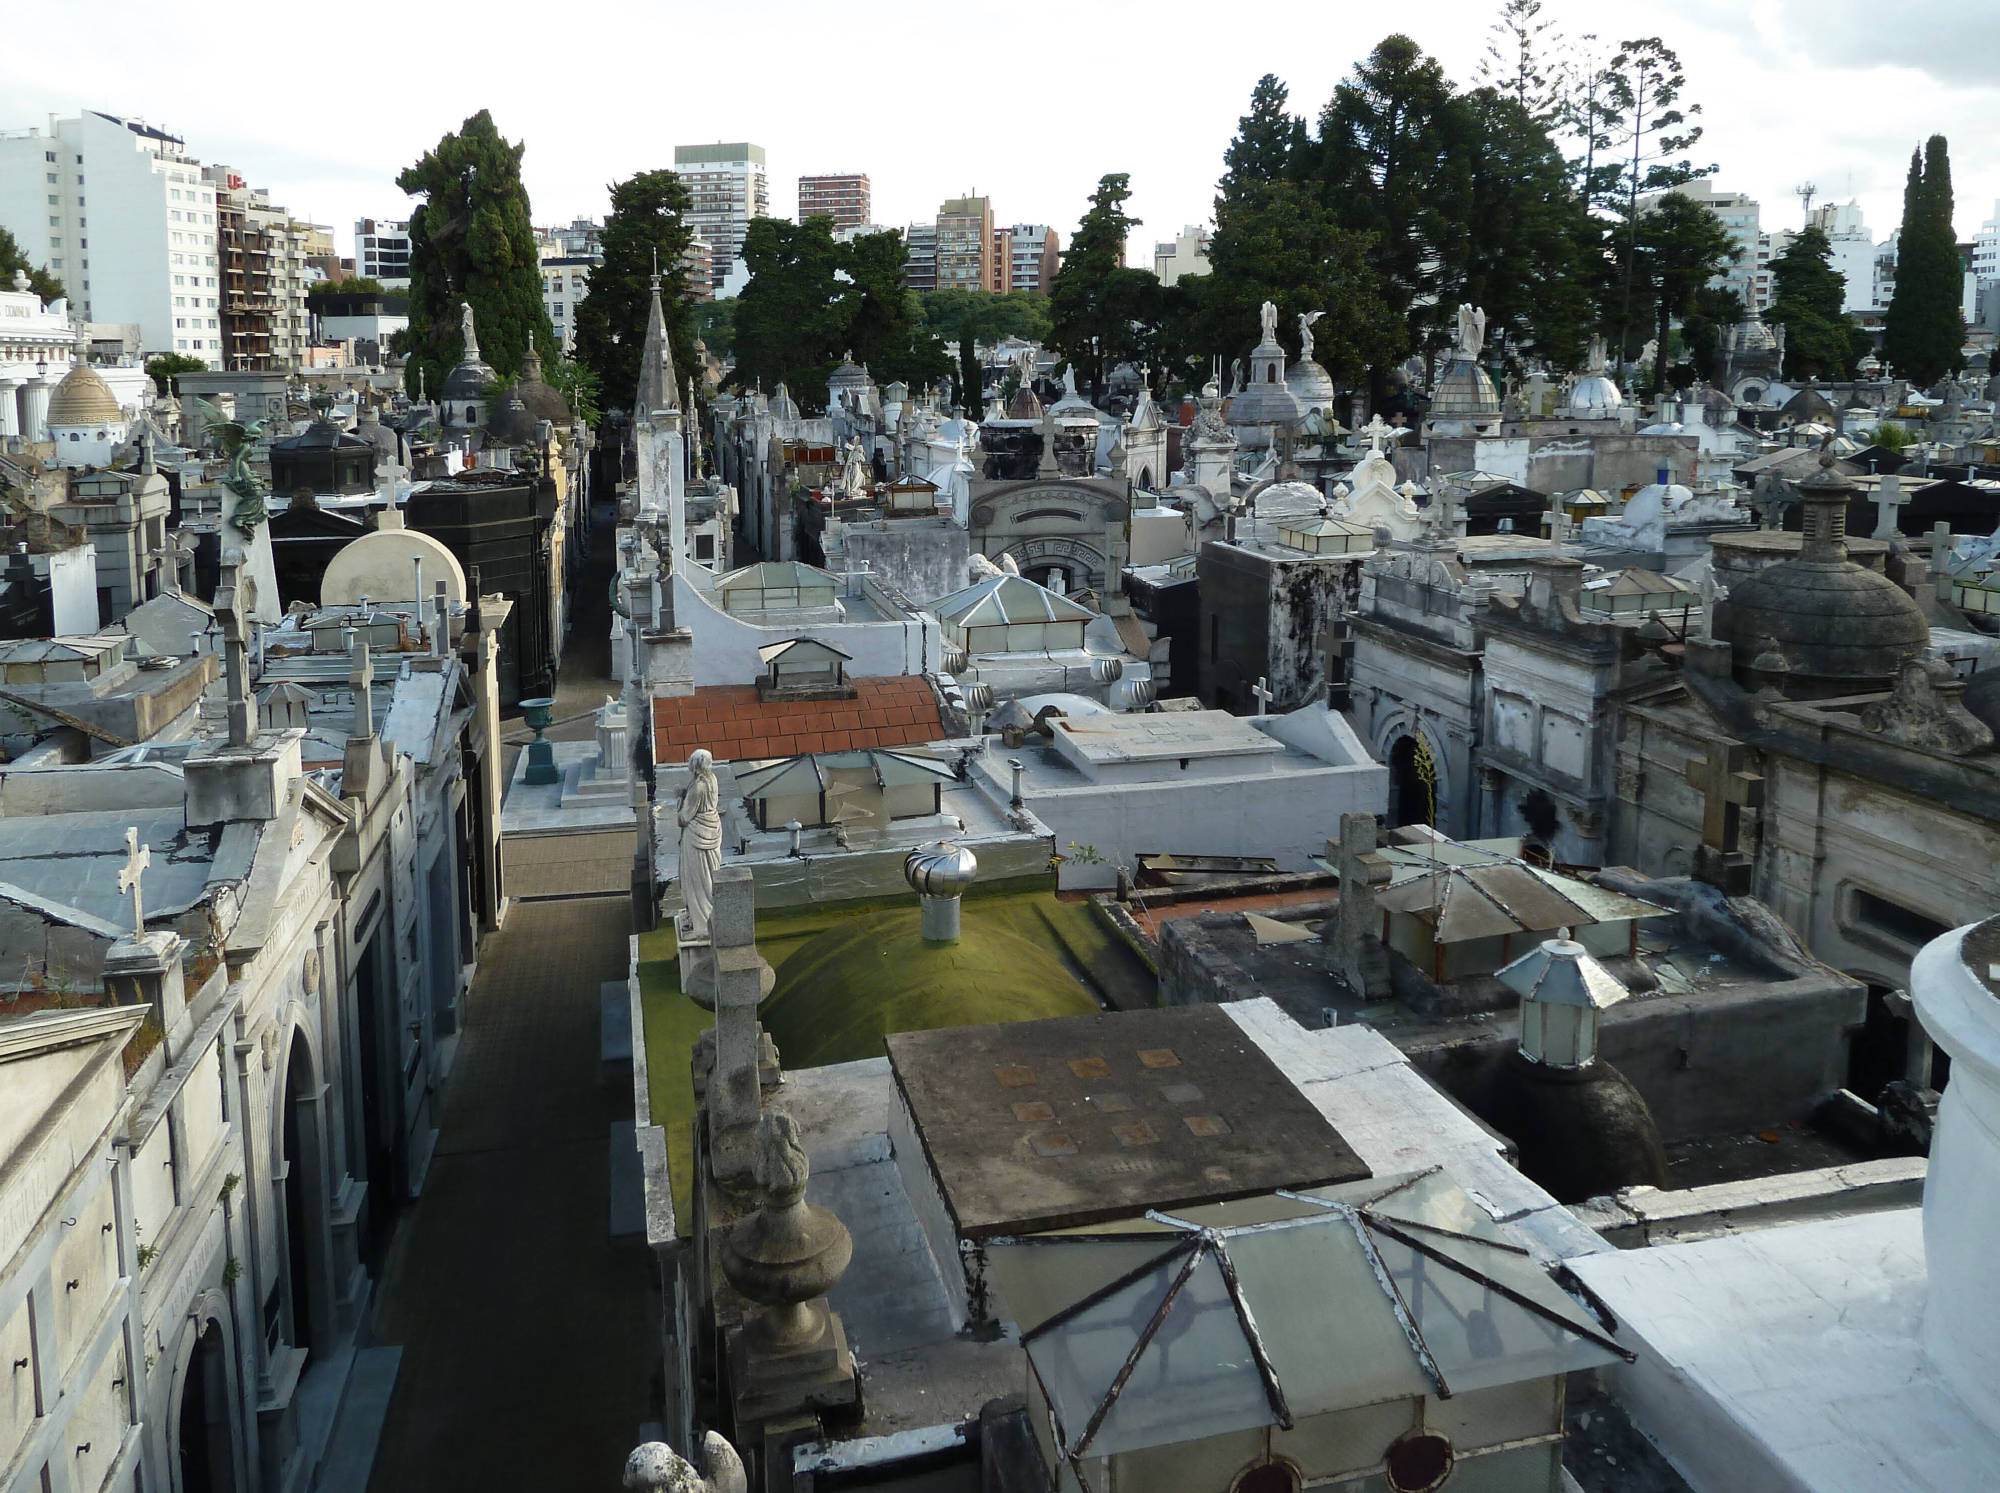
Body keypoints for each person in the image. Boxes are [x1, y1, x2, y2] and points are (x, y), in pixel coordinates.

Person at [677, 749, 723, 937]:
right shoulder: (712, 779)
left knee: (698, 880)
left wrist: (679, 800)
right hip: (712, 829)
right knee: (709, 877)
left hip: (697, 836)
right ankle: (707, 918)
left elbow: (684, 817)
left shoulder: (698, 786)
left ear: (694, 764)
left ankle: (701, 924)